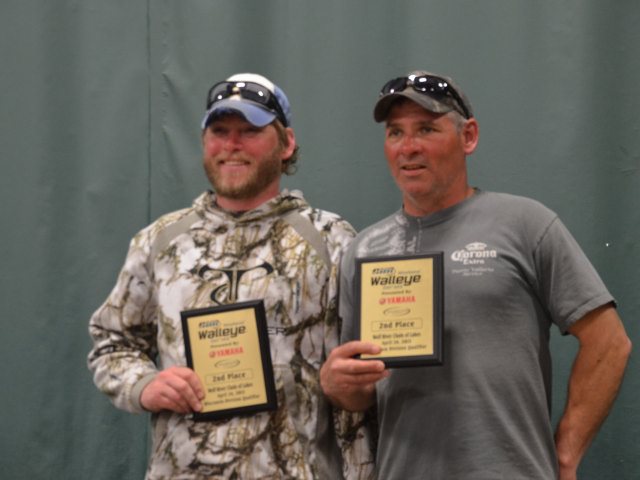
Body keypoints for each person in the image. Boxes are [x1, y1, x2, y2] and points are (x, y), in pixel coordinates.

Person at [320, 70, 632, 480]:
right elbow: (362, 390)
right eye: (395, 133)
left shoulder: (526, 224)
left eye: (426, 129)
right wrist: (338, 385)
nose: (408, 148)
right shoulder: (363, 251)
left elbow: (609, 343)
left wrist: (567, 453)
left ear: (468, 136)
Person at [88, 73, 369, 479]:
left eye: (250, 131)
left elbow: (359, 376)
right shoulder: (161, 241)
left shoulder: (329, 239)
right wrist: (145, 384)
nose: (232, 145)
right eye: (219, 132)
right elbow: (112, 342)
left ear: (287, 144)